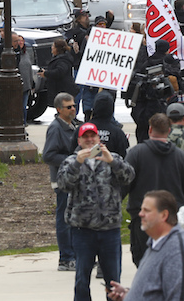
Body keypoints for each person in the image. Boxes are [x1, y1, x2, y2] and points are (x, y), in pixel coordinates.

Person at [57, 122, 135, 301]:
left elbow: (129, 177)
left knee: (113, 281)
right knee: (81, 280)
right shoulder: (71, 161)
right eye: (86, 137)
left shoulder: (112, 157)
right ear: (79, 140)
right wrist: (78, 163)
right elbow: (63, 185)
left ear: (99, 139)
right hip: (82, 230)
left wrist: (112, 161)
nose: (90, 140)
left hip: (110, 230)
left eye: (93, 136)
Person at [106, 191, 184, 301]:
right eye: (141, 210)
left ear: (164, 215)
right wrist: (129, 295)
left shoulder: (178, 252)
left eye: (147, 210)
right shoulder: (156, 244)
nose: (140, 214)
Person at [125, 112, 184, 266]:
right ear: (169, 131)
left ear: (150, 130)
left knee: (145, 266)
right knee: (171, 264)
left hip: (143, 220)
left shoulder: (136, 154)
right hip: (172, 220)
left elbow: (123, 185)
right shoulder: (181, 157)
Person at [43, 92, 80, 272]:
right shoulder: (56, 128)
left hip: (72, 180)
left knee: (74, 219)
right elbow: (48, 155)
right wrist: (73, 159)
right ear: (59, 109)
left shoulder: (71, 125)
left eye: (73, 105)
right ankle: (65, 258)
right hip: (61, 181)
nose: (73, 108)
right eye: (69, 107)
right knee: (64, 220)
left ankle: (76, 254)